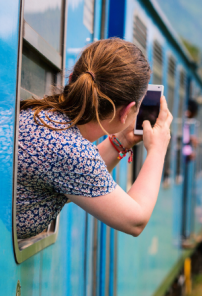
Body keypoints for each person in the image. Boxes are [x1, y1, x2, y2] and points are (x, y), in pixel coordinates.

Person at [16, 38, 173, 239]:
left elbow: (75, 175)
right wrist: (158, 150)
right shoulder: (71, 151)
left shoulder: (43, 116)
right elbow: (136, 220)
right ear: (126, 112)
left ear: (72, 78)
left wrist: (122, 141)